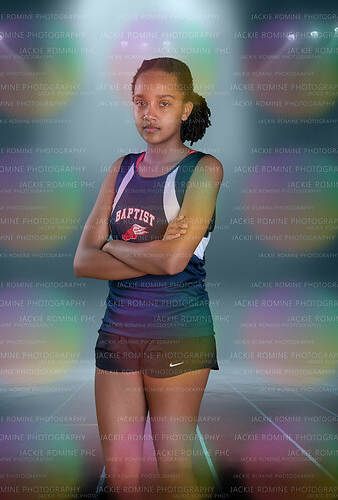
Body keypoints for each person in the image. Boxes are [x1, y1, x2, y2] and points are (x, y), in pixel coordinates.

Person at [74, 57, 224, 500]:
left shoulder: (204, 169)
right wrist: (155, 252)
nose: (149, 113)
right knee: (121, 481)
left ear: (186, 108)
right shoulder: (120, 169)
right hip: (117, 333)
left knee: (174, 474)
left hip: (178, 333)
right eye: (140, 102)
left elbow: (174, 261)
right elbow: (82, 261)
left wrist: (113, 246)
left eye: (164, 102)